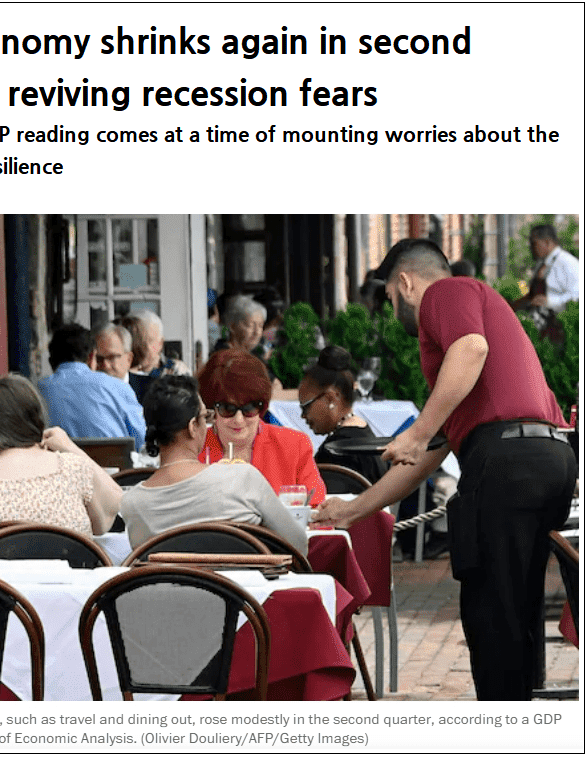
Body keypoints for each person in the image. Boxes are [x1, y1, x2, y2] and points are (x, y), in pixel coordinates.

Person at [313, 239, 577, 701]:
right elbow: (431, 452)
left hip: (509, 465)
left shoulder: (446, 293)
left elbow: (471, 349)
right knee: (516, 615)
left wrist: (415, 431)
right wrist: (353, 510)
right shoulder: (466, 343)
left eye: (391, 298)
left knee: (494, 619)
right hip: (547, 458)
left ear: (406, 282)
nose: (392, 309)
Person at [120, 375, 308, 555]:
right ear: (193, 426)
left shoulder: (132, 504)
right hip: (244, 587)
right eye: (205, 416)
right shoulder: (242, 478)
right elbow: (298, 545)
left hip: (168, 587)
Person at [0, 375, 122, 545]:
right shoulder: (72, 468)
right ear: (38, 419)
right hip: (63, 585)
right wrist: (70, 447)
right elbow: (110, 512)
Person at [196, 349, 326, 505]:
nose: (238, 420)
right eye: (227, 409)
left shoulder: (295, 445)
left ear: (262, 407)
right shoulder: (193, 447)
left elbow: (316, 510)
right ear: (212, 407)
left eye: (249, 408)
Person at [37, 324, 146, 450]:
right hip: (113, 468)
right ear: (91, 357)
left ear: (51, 361)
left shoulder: (37, 391)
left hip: (59, 467)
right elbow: (140, 441)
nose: (105, 365)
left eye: (111, 357)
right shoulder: (119, 388)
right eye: (100, 358)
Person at [298, 345, 387, 486]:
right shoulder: (363, 434)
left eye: (306, 407)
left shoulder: (335, 452)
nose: (303, 416)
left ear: (330, 398)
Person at [120, 310, 191, 402]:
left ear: (161, 343)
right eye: (139, 342)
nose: (145, 348)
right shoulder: (120, 372)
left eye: (150, 341)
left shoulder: (176, 370)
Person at [516, 224, 579, 313]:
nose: (531, 248)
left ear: (547, 242)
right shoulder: (542, 263)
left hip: (558, 322)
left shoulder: (568, 262)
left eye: (534, 243)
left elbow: (578, 295)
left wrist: (550, 301)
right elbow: (532, 296)